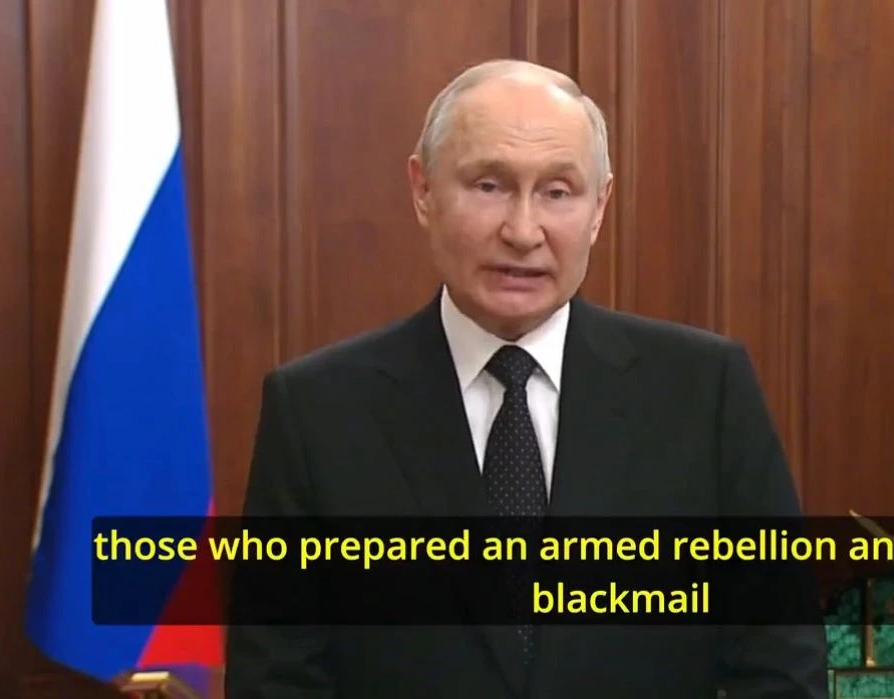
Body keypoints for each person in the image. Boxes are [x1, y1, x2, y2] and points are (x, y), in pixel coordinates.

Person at [225, 58, 828, 698]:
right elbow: (276, 680)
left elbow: (780, 667)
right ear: (423, 190)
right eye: (488, 185)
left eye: (557, 192)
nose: (522, 231)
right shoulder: (316, 412)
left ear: (599, 207)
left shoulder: (705, 394)